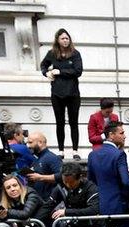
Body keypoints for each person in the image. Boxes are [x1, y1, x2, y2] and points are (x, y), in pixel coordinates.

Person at [40, 29, 82, 157]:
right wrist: (46, 73)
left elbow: (78, 71)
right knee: (60, 122)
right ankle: (61, 150)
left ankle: (75, 150)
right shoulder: (52, 54)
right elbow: (43, 65)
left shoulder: (75, 54)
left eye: (67, 38)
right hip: (57, 93)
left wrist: (60, 72)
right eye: (63, 38)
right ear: (58, 40)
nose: (65, 41)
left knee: (73, 122)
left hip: (72, 93)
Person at [24, 132, 63, 199]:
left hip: (49, 201)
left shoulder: (51, 158)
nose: (28, 146)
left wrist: (40, 177)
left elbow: (62, 176)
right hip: (38, 199)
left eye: (30, 142)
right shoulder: (37, 158)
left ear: (40, 142)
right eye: (27, 143)